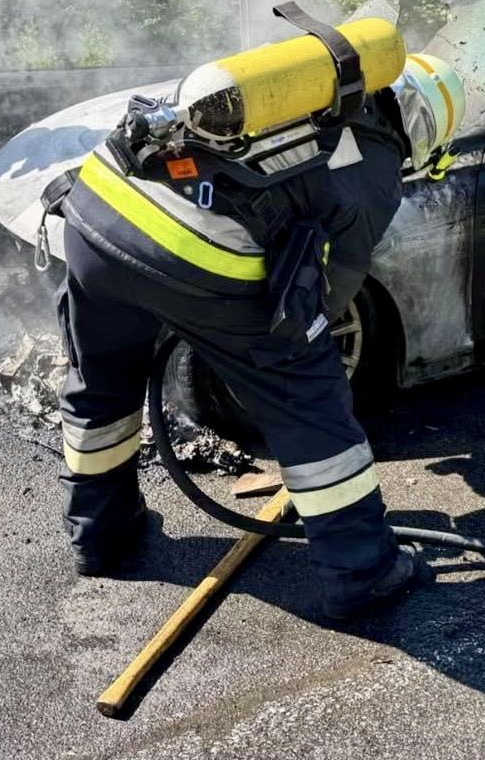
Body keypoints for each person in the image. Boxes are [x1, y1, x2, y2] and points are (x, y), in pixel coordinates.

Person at [53, 43, 464, 621]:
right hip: (186, 252)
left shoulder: (304, 96)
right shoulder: (376, 163)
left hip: (96, 208)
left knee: (102, 382)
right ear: (427, 127)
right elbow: (327, 291)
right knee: (308, 392)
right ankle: (361, 570)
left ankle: (99, 535)